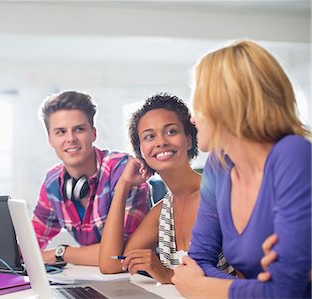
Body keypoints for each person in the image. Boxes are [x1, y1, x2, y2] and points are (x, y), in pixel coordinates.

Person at [172, 40, 311, 298]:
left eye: (198, 101)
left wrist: (202, 287)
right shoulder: (218, 165)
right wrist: (258, 290)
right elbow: (197, 261)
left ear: (224, 103)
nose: (192, 117)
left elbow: (285, 292)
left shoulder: (293, 154)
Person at [100, 93, 232, 283]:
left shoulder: (218, 194)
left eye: (171, 131)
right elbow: (110, 265)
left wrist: (167, 275)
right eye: (149, 136)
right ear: (142, 151)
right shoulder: (162, 212)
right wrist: (123, 185)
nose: (160, 142)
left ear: (188, 140)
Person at [32, 90, 151, 266]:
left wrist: (62, 253)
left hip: (136, 280)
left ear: (93, 133)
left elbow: (120, 254)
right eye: (60, 132)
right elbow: (32, 242)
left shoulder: (124, 171)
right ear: (50, 140)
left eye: (79, 129)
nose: (70, 139)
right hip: (90, 278)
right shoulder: (53, 182)